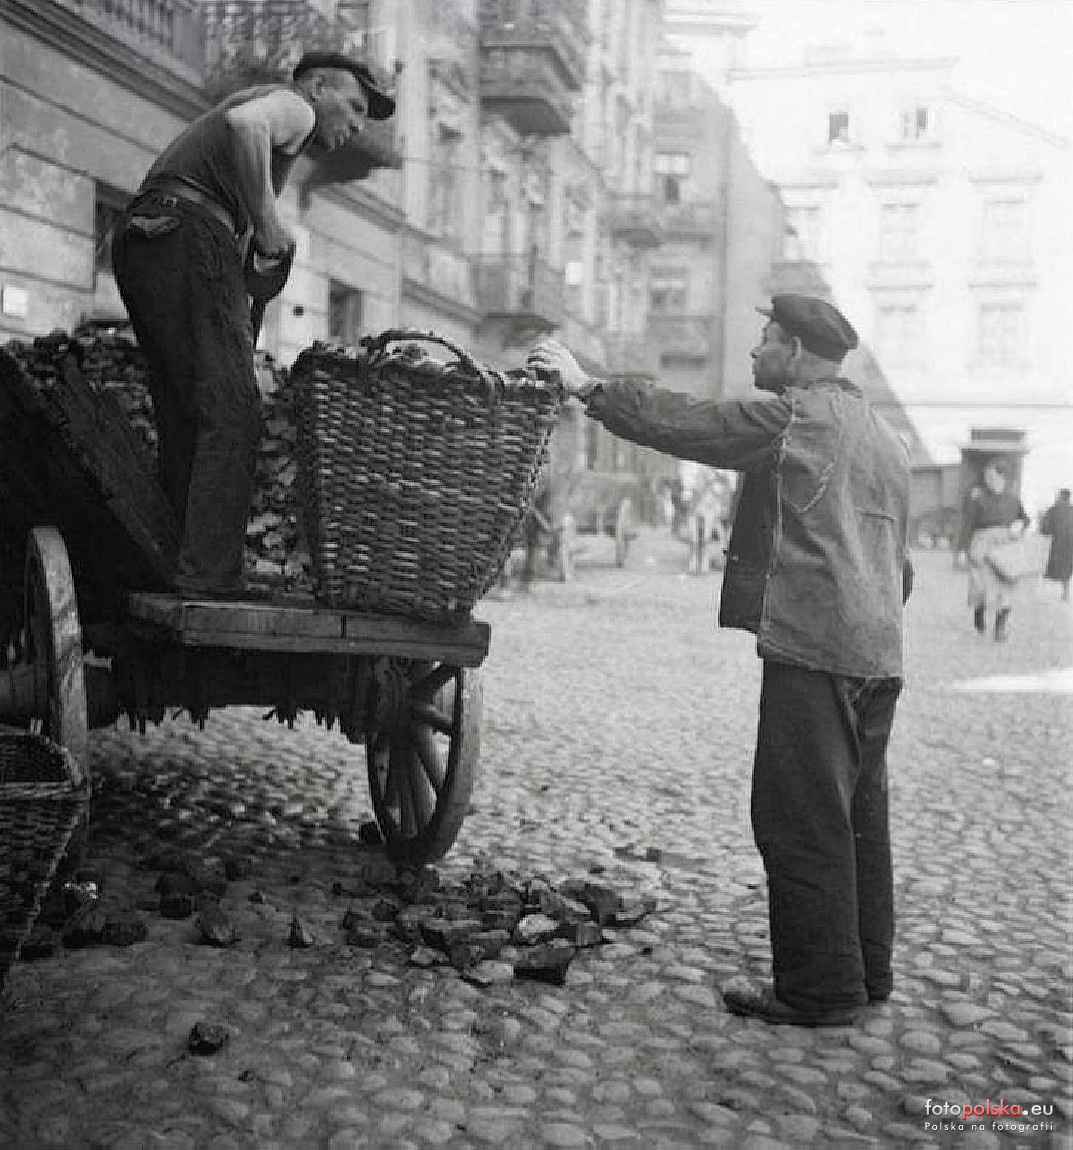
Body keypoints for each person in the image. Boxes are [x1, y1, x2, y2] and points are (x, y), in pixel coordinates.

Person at [529, 294, 913, 1027]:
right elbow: (899, 564)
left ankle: (816, 990)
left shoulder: (799, 418)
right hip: (877, 653)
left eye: (765, 341)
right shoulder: (884, 436)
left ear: (797, 354)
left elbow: (696, 424)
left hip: (814, 647)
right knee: (860, 814)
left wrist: (589, 388)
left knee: (798, 815)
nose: (753, 353)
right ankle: (866, 971)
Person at [112, 51, 394, 597]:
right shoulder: (296, 109)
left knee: (184, 414)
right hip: (190, 231)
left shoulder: (255, 116)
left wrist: (249, 256)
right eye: (354, 106)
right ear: (316, 87)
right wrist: (268, 223)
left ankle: (177, 562)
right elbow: (247, 127)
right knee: (235, 414)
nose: (356, 126)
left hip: (144, 236)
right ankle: (210, 577)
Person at [955, 460, 1030, 640]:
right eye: (987, 477)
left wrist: (1019, 526)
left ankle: (1000, 628)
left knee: (1006, 588)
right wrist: (961, 550)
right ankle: (979, 612)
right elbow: (967, 525)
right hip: (981, 544)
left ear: (1002, 477)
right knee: (979, 584)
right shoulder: (977, 499)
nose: (989, 480)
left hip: (1005, 547)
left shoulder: (1013, 499)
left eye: (993, 476)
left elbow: (1025, 519)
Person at [1040, 488, 1073, 601]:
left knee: (1049, 567)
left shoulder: (1053, 510)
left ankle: (1044, 594)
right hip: (1070, 546)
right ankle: (1065, 592)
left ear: (1060, 497)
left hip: (1055, 544)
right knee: (1067, 570)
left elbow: (1045, 529)